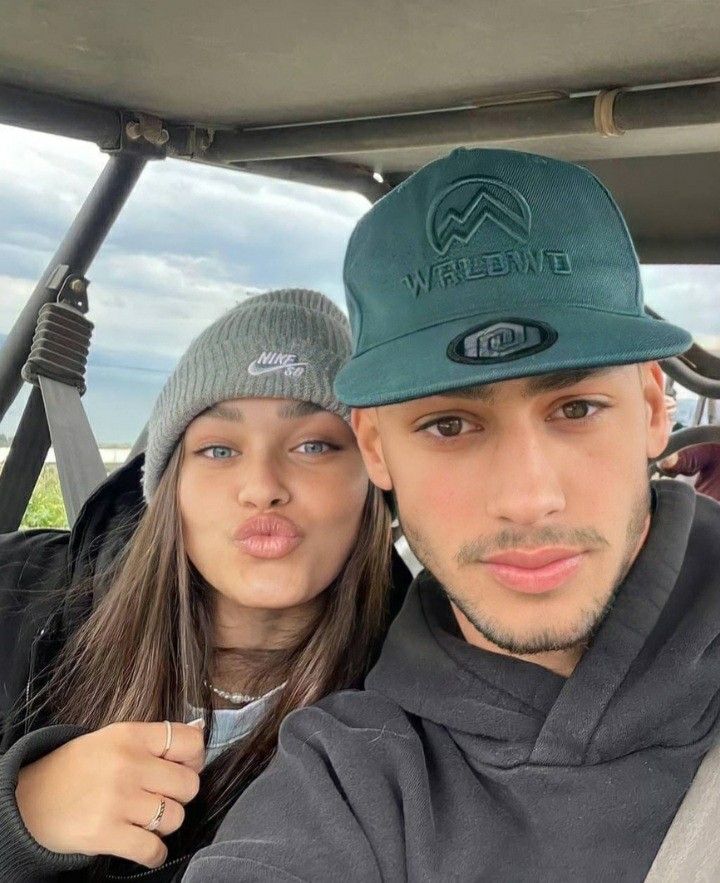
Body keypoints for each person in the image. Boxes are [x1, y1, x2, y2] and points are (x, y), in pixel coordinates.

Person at [184, 149, 720, 883]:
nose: (529, 498)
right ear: (375, 447)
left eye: (576, 408)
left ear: (654, 408)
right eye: (449, 425)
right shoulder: (352, 779)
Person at [0, 289, 404, 882]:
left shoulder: (427, 704)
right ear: (170, 486)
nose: (262, 486)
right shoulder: (18, 596)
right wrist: (19, 818)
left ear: (374, 483)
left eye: (314, 445)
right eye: (218, 449)